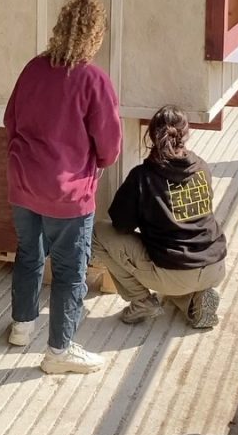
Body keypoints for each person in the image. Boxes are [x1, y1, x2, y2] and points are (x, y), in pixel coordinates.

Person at [4, 0, 122, 375]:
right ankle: (59, 351)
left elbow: (11, 121)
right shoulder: (93, 80)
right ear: (96, 36)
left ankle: (22, 326)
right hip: (68, 197)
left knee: (28, 253)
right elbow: (109, 146)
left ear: (59, 27)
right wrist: (95, 166)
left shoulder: (33, 69)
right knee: (70, 271)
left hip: (24, 184)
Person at [92, 105, 226, 329]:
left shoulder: (143, 176)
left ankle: (142, 301)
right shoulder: (201, 167)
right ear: (186, 133)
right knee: (175, 275)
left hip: (174, 271)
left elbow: (121, 225)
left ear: (152, 135)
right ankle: (194, 300)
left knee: (98, 232)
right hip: (215, 265)